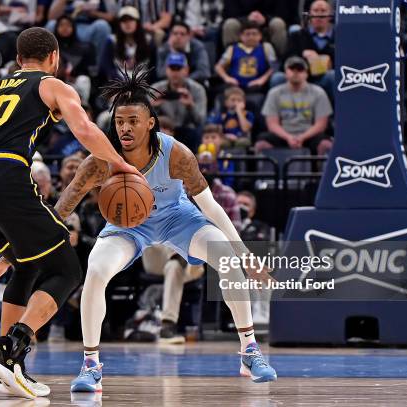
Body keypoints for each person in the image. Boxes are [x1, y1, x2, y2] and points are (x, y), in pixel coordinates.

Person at [0, 27, 139, 398]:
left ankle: (4, 373)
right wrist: (120, 165)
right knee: (67, 269)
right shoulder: (53, 84)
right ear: (54, 57)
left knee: (27, 265)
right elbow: (84, 129)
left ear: (17, 61)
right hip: (4, 176)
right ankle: (9, 352)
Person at [52, 65, 275, 391]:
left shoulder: (176, 153)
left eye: (132, 121)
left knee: (227, 259)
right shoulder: (101, 158)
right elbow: (63, 206)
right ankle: (90, 365)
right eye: (119, 122)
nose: (125, 128)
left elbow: (210, 206)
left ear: (150, 123)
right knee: (96, 272)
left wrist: (245, 254)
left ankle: (250, 350)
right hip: (127, 227)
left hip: (177, 218)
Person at [255, 56, 333, 155]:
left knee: (325, 144)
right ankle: (270, 170)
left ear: (306, 73)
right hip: (283, 135)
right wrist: (288, 137)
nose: (295, 73)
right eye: (292, 69)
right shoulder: (274, 93)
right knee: (262, 143)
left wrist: (302, 137)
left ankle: (321, 169)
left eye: (300, 70)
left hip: (309, 135)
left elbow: (321, 125)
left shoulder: (318, 93)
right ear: (286, 73)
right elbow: (272, 124)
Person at [142, 244, 204, 344]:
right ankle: (181, 255)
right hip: (156, 256)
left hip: (180, 264)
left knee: (174, 266)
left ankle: (168, 324)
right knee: (173, 237)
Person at [275, 0, 335, 100]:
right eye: (316, 11)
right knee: (277, 78)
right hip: (299, 77)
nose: (319, 15)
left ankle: (338, 114)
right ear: (309, 15)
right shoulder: (296, 35)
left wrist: (325, 60)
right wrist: (301, 55)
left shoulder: (339, 36)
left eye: (323, 11)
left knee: (333, 75)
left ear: (330, 16)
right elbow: (284, 63)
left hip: (324, 78)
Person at [152, 52, 207, 153]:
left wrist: (190, 105)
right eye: (172, 68)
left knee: (195, 132)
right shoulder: (156, 89)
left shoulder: (197, 89)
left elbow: (200, 121)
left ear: (186, 70)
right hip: (163, 130)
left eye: (179, 68)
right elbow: (146, 120)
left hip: (187, 132)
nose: (175, 73)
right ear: (166, 70)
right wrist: (153, 107)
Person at [215, 21, 276, 110]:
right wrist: (227, 78)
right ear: (241, 36)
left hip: (257, 85)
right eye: (247, 34)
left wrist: (262, 80)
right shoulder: (232, 48)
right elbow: (218, 67)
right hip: (236, 85)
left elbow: (274, 67)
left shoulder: (266, 47)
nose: (251, 37)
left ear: (260, 36)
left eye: (254, 34)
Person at [98, 6, 154, 83]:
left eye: (131, 19)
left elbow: (153, 67)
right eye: (123, 20)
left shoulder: (148, 41)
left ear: (137, 22)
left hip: (143, 84)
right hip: (118, 84)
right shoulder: (111, 41)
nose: (127, 23)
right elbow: (106, 66)